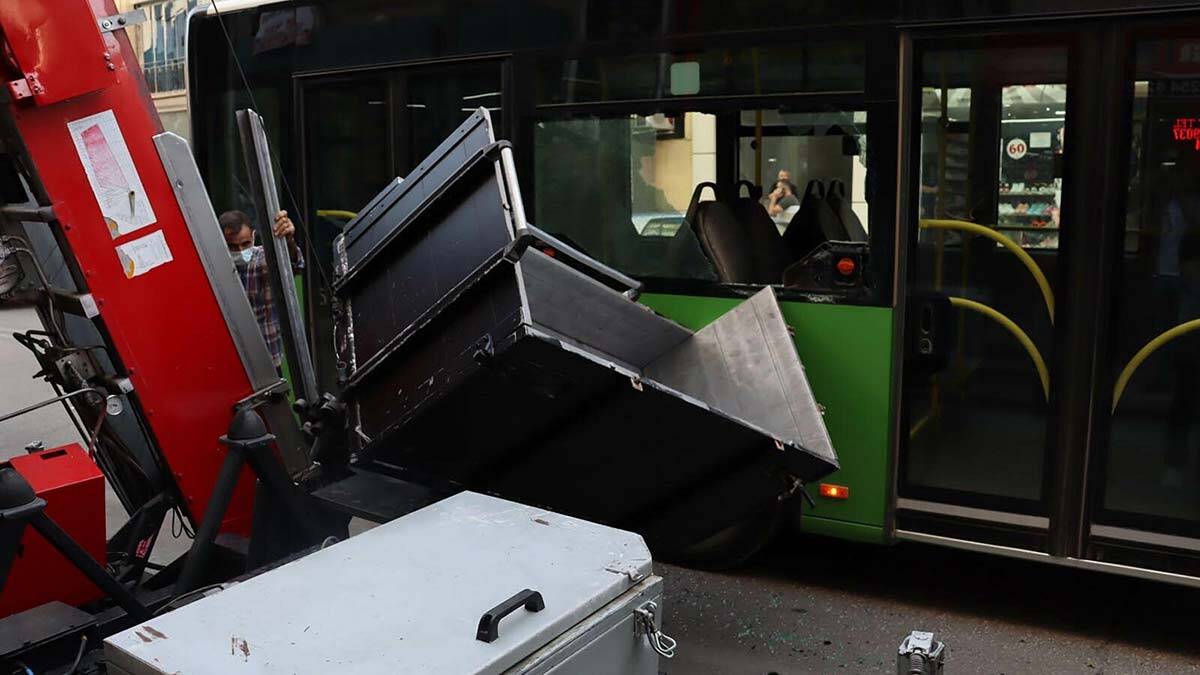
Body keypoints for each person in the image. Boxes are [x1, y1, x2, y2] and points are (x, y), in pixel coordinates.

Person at [219, 209, 303, 369]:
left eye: (245, 244)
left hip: (268, 360)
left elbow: (293, 266)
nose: (240, 251)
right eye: (232, 246)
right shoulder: (216, 268)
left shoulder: (263, 258)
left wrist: (289, 242)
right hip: (233, 361)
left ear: (253, 236)